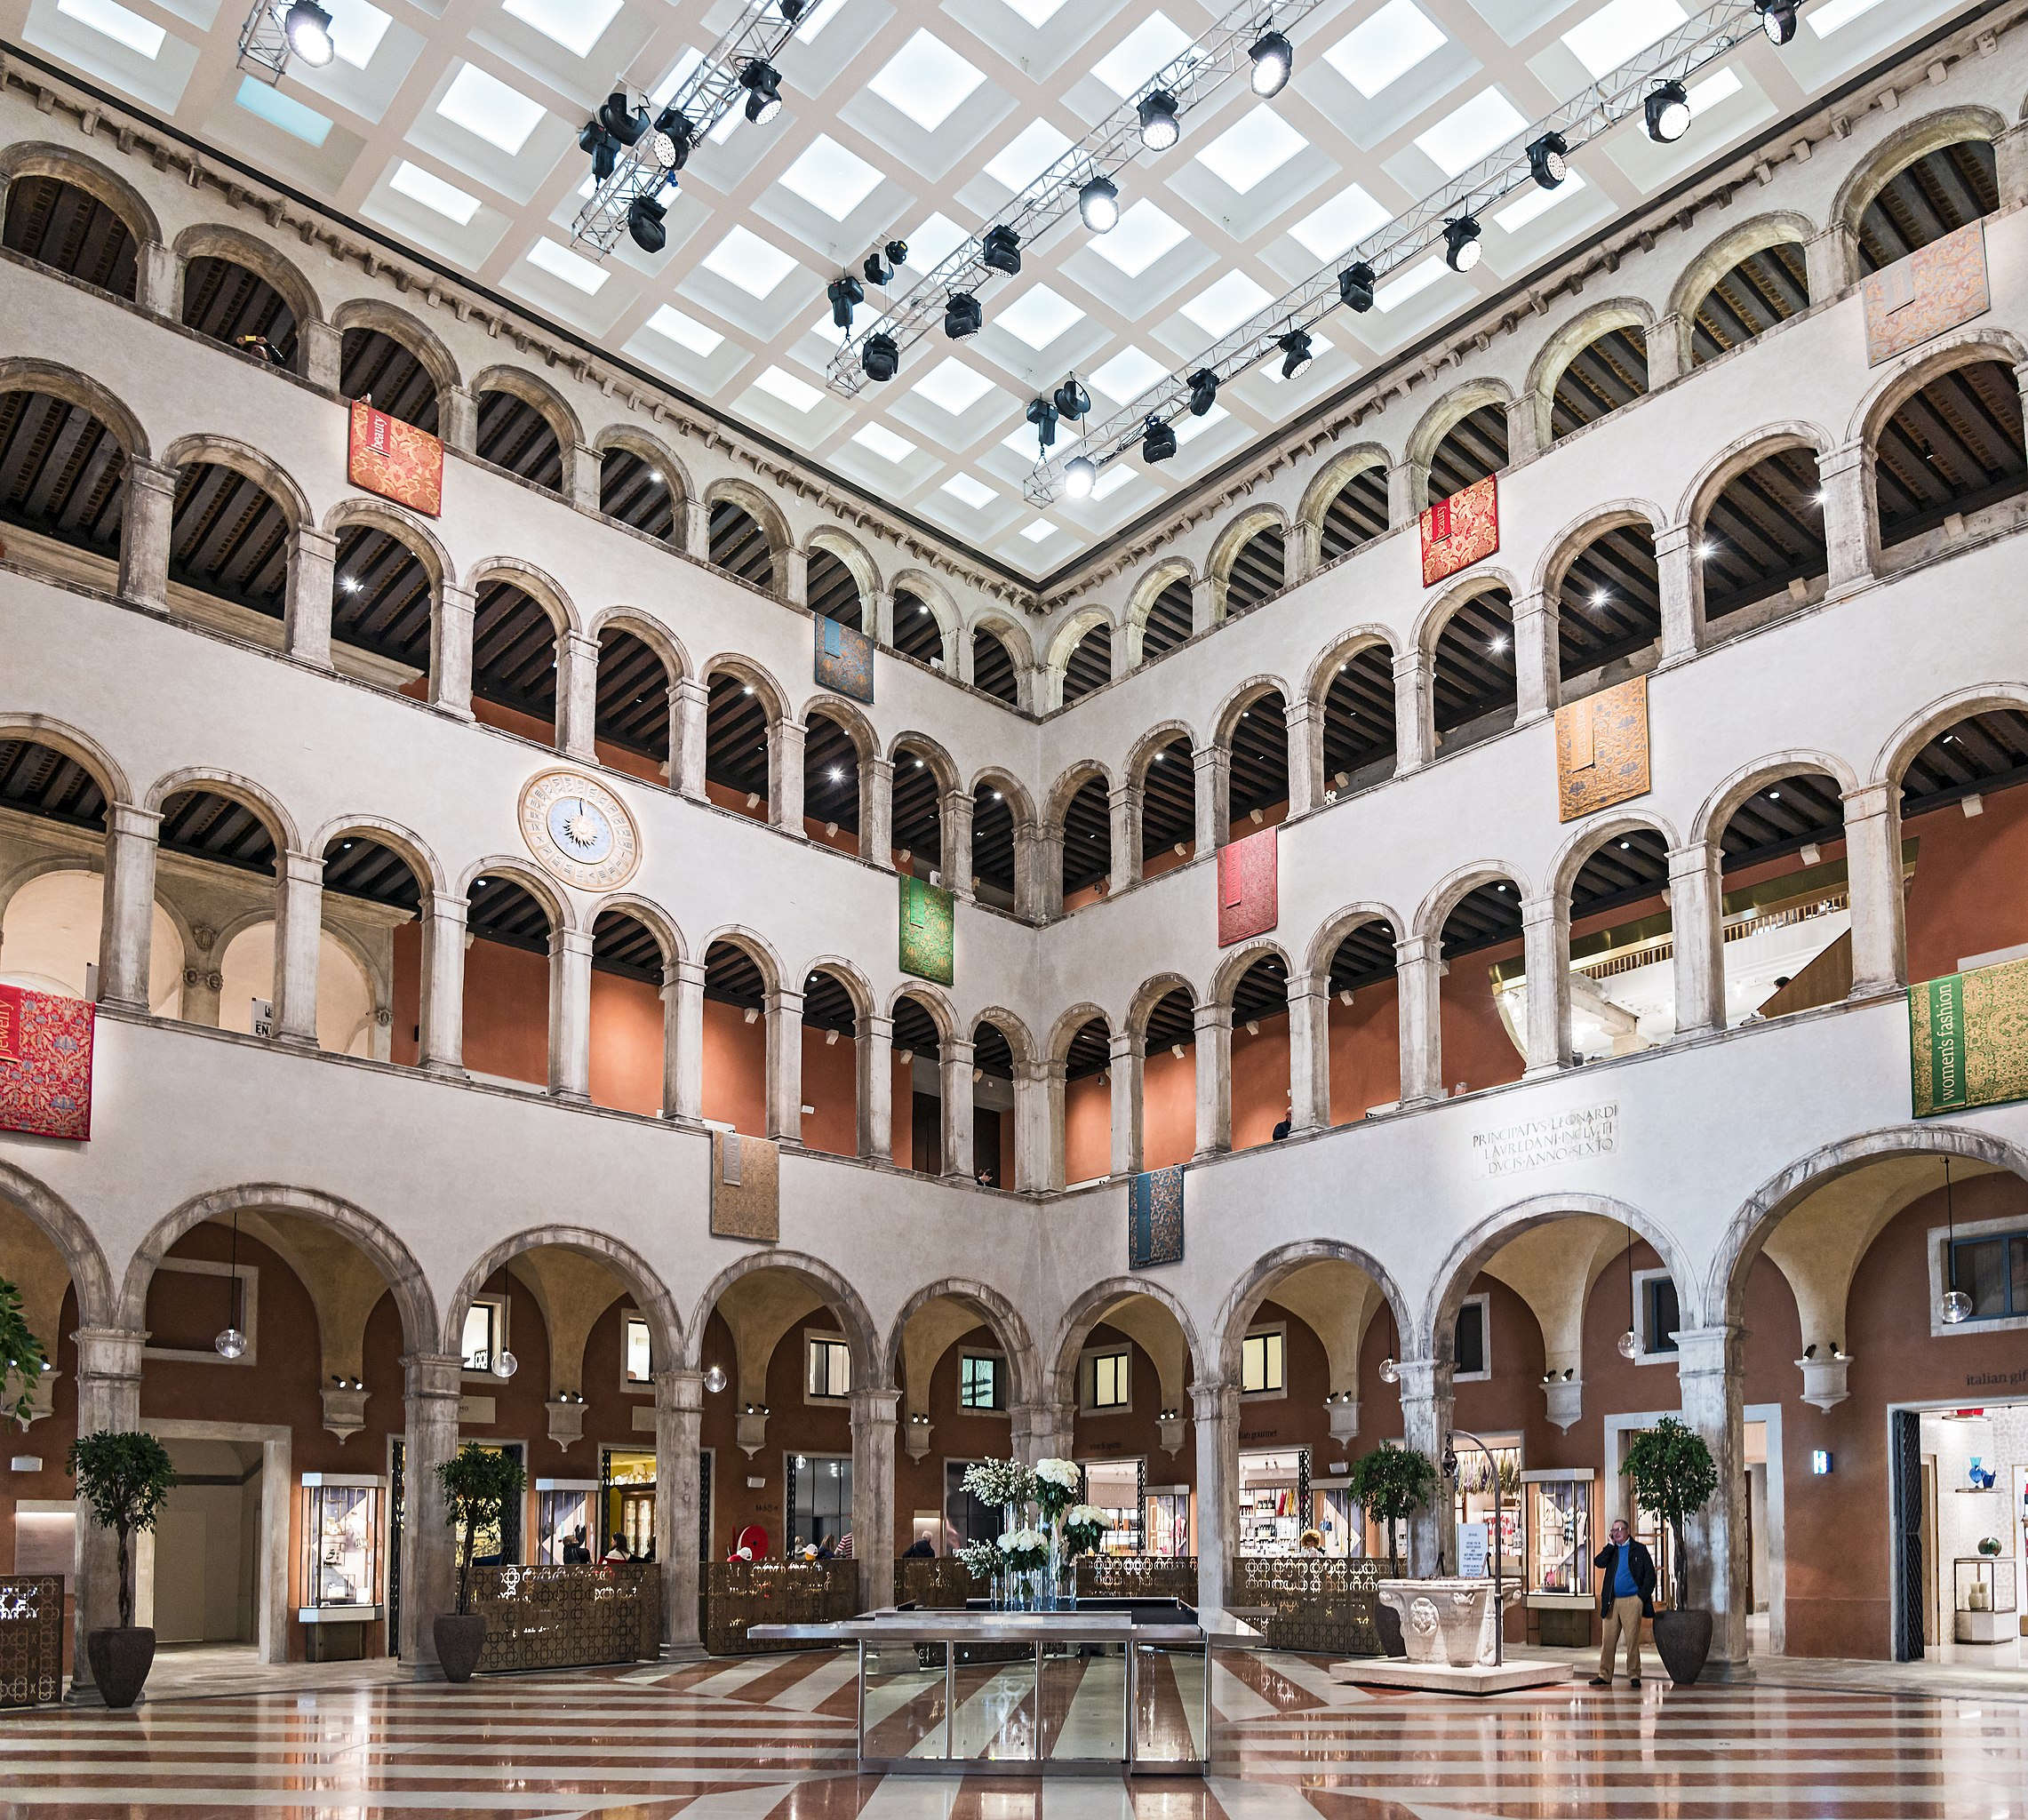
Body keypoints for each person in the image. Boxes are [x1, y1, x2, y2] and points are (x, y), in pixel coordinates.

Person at [1590, 1518, 1657, 1688]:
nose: (1616, 1533)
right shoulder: (1612, 1551)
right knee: (1608, 1641)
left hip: (1632, 1601)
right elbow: (1599, 1562)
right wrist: (1610, 1546)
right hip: (1612, 1601)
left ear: (1627, 1531)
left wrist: (1640, 1597)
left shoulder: (1639, 1550)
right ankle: (1604, 1675)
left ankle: (1634, 1674)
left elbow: (1650, 1576)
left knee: (1632, 1641)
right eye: (1614, 1530)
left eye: (1619, 1529)